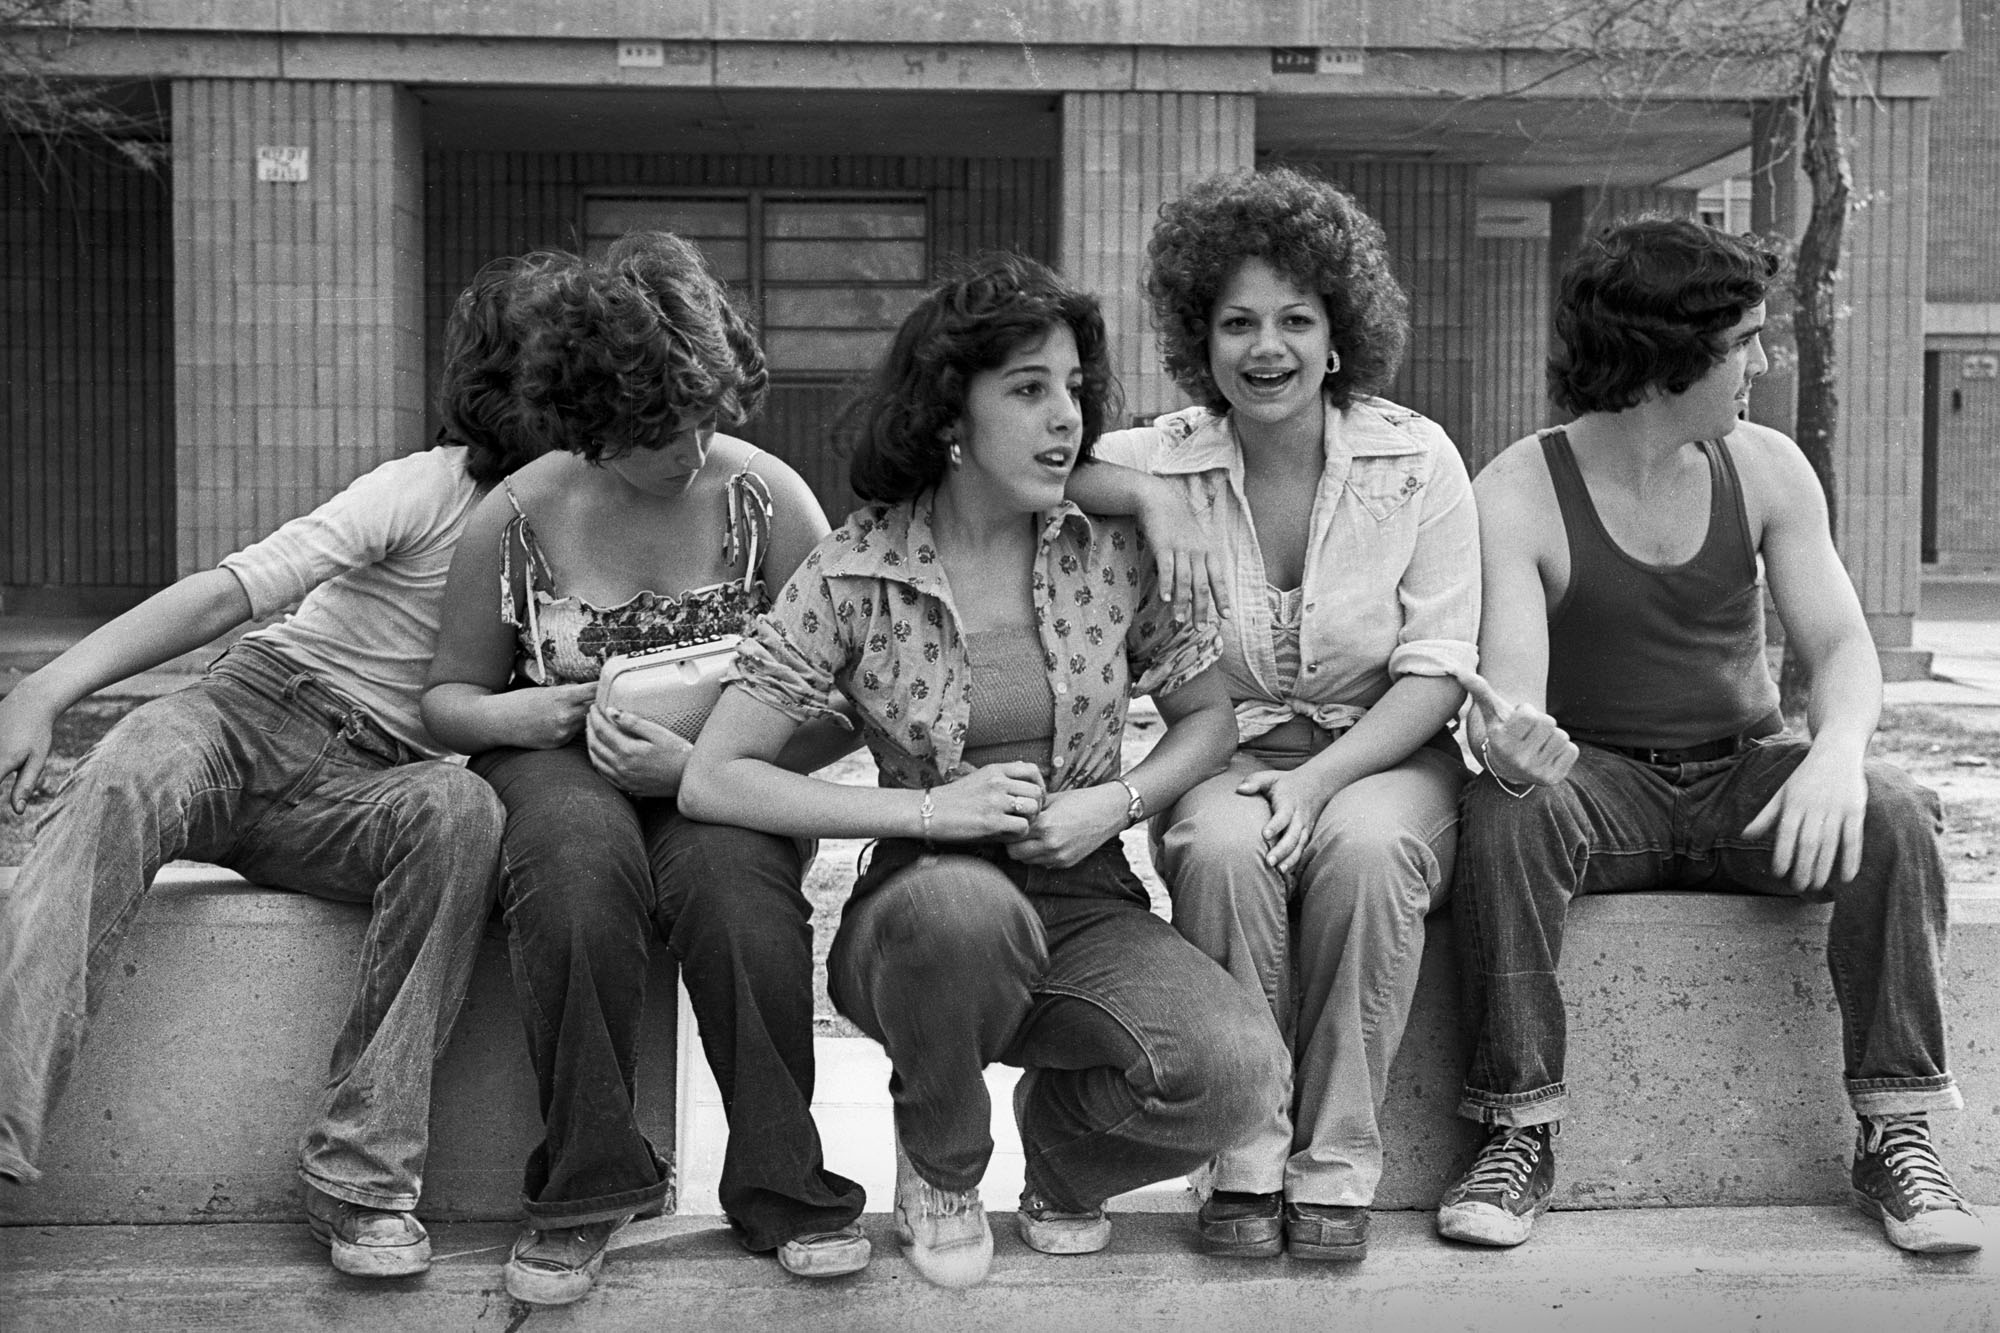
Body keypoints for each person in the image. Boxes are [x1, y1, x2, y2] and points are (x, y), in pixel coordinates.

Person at [682, 253, 1289, 1290]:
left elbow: (1207, 719)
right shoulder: (856, 567)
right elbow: (715, 778)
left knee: (1236, 1076)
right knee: (961, 909)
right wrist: (925, 809)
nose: (1065, 416)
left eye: (1071, 389)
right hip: (921, 909)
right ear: (948, 410)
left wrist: (1116, 801)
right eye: (1026, 389)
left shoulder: (1103, 548)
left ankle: (1059, 1158)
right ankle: (943, 1159)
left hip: (1083, 897)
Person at [0, 250, 570, 1276]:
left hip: (372, 790)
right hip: (248, 716)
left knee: (462, 812)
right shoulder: (425, 488)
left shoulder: (590, 531)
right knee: (125, 775)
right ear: (509, 391)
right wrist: (46, 689)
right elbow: (230, 592)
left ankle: (360, 1179)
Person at [1437, 215, 1983, 1255]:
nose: (1763, 363)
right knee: (1505, 811)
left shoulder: (1766, 468)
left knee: (1896, 811)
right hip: (1601, 789)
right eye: (1744, 342)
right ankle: (1515, 1133)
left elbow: (1840, 650)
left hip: (1743, 777)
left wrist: (1830, 755)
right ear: (1667, 355)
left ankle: (1896, 1131)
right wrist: (1513, 747)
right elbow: (1515, 707)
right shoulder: (1515, 490)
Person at [421, 231, 865, 1307]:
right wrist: (526, 712)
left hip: (721, 771)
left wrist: (701, 765)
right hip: (560, 767)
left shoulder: (767, 503)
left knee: (738, 898)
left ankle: (782, 1182)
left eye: (704, 412)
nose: (689, 445)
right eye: (656, 428)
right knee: (572, 878)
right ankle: (586, 1185)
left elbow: (851, 702)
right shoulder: (517, 518)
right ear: (589, 420)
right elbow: (444, 699)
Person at [1067, 166, 1479, 1262]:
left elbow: (1436, 671)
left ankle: (1334, 1163)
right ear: (1198, 341)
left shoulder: (1415, 456)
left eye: (1294, 319)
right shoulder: (1161, 457)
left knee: (1363, 849)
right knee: (1217, 844)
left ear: (1336, 332)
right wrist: (1143, 497)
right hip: (1227, 746)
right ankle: (1242, 1154)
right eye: (1236, 322)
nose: (1266, 348)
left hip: (1385, 748)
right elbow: (1023, 471)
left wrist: (1314, 781)